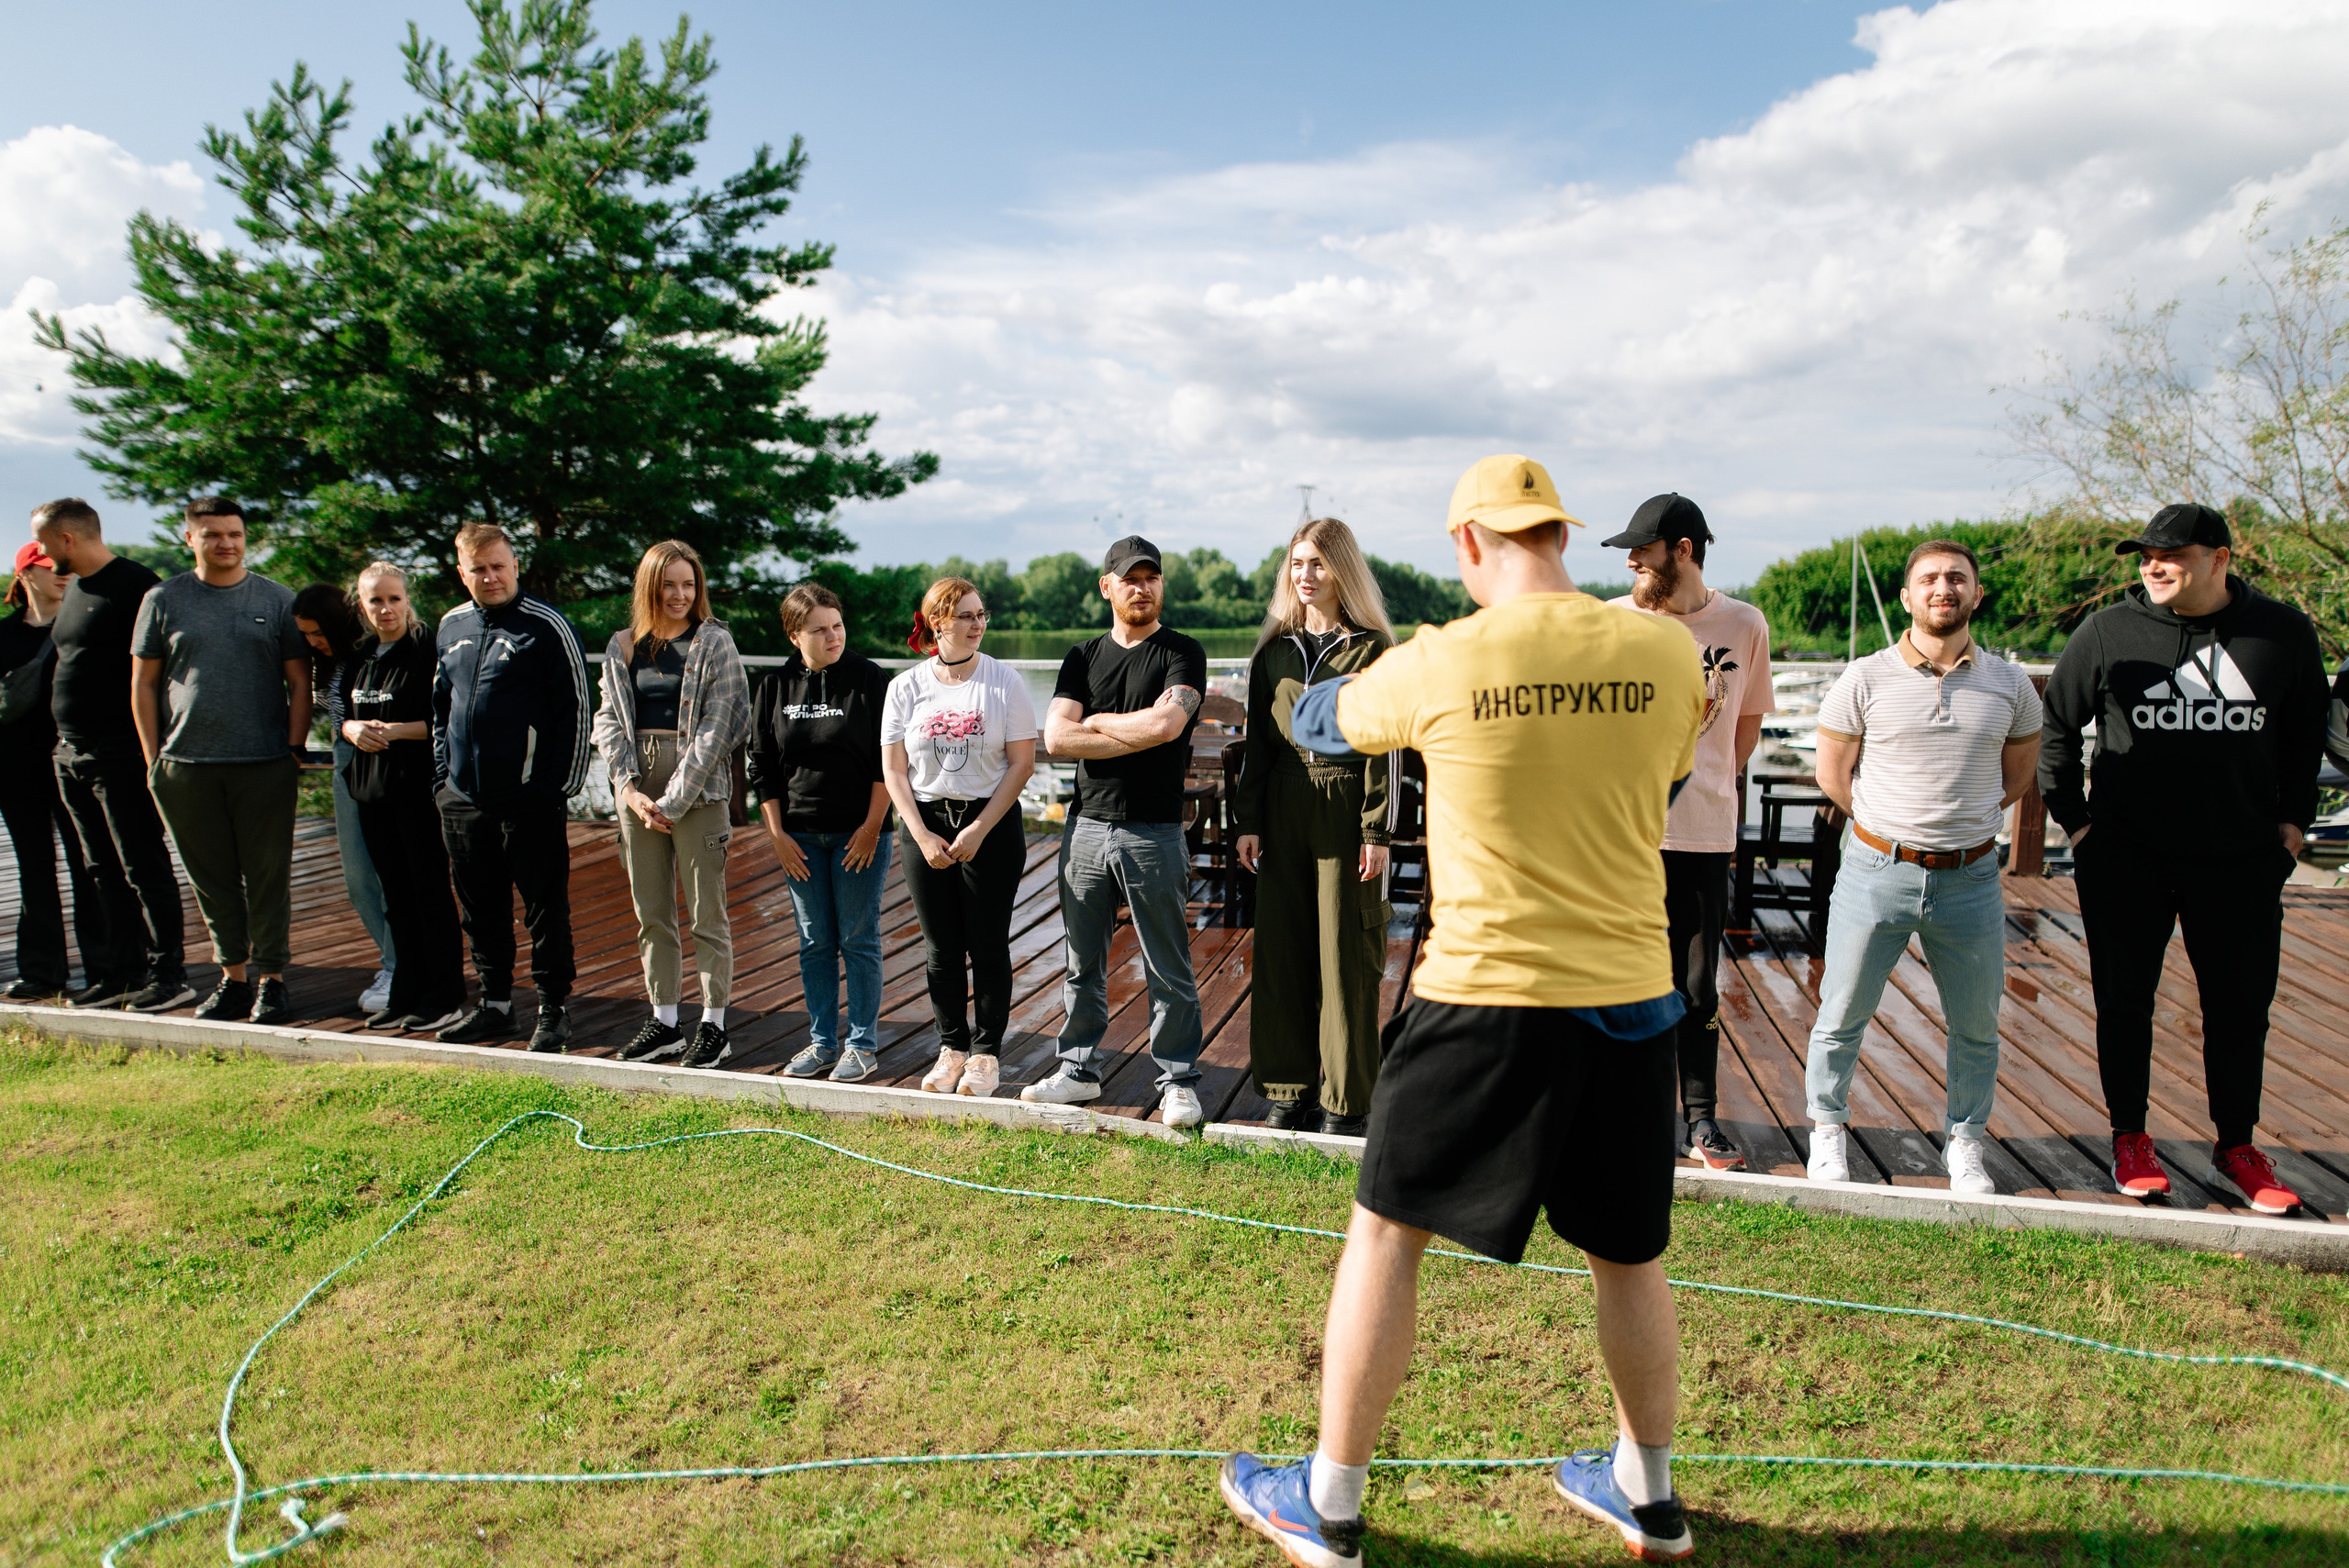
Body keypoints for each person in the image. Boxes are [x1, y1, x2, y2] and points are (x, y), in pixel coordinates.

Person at [1218, 454, 1706, 1566]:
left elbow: (1321, 723)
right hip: (1632, 990)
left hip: (1486, 990)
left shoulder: (1440, 658)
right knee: (1628, 1252)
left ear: (1468, 543)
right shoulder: (1664, 650)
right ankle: (1649, 1490)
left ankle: (1327, 1503)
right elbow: (1669, 769)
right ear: (1560, 536)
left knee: (1388, 1228)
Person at [2038, 503, 2327, 1215]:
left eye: (2171, 555)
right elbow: (2056, 727)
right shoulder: (2108, 630)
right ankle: (2130, 1138)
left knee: (2240, 1009)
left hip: (2240, 861)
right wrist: (2078, 826)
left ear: (2220, 559)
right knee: (2124, 1002)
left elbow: (2305, 736)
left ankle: (2238, 1147)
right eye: (2145, 556)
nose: (2153, 567)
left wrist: (2292, 827)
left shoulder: (2282, 632)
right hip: (2126, 858)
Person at [1803, 539, 2043, 1196]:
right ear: (1908, 596)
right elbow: (1833, 775)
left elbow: (2017, 778)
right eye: (1930, 578)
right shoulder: (1863, 678)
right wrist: (1891, 827)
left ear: (1976, 594)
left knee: (1976, 1024)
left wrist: (1958, 828)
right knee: (1841, 1010)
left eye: (1957, 578)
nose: (1944, 588)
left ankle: (1965, 1142)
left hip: (1971, 879)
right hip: (1876, 871)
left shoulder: (2011, 685)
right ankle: (1827, 1128)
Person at [1606, 493, 1776, 1173]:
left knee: (1699, 986)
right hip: (1623, 838)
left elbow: (1745, 730)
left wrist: (1704, 786)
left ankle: (1700, 1119)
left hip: (1704, 834)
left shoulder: (1744, 624)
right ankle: (1625, 1112)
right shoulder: (1614, 621)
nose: (1630, 561)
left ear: (1683, 551)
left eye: (1642, 550)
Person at [1024, 538, 1209, 1128]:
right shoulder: (1081, 656)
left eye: (1152, 577)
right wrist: (1136, 728)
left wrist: (1098, 721)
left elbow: (1167, 724)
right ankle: (1078, 1070)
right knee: (1082, 960)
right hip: (1086, 827)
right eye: (1131, 578)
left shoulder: (1183, 651)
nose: (1143, 588)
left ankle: (1178, 1081)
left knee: (1167, 963)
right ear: (1107, 587)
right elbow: (1057, 738)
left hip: (1154, 830)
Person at [1231, 517, 1395, 1137]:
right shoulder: (1274, 652)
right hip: (1282, 805)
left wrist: (1376, 830)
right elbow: (1258, 744)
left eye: (1318, 563)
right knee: (1284, 951)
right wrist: (1248, 820)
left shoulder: (1372, 650)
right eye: (1297, 563)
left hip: (1345, 805)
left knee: (1346, 954)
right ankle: (1287, 1088)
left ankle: (1345, 1100)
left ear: (1341, 570)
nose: (1306, 575)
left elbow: (1383, 746)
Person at [131, 497, 312, 1026]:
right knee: (210, 880)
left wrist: (294, 749)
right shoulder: (163, 599)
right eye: (212, 534)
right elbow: (144, 683)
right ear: (190, 538)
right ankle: (233, 979)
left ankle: (272, 981)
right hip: (185, 765)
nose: (226, 543)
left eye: (234, 533)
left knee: (268, 877)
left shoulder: (276, 599)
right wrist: (154, 759)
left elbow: (301, 683)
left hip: (265, 763)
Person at [431, 521, 591, 1053]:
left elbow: (576, 710)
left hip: (529, 798)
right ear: (462, 572)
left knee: (544, 908)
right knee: (480, 910)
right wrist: (442, 781)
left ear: (515, 566)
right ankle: (495, 1004)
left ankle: (553, 1008)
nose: (490, 577)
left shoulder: (547, 626)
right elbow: (440, 708)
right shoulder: (451, 626)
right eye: (478, 569)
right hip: (463, 799)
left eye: (498, 566)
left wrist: (557, 787)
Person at [592, 540, 751, 1069]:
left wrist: (674, 800)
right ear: (649, 587)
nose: (680, 594)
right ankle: (664, 1022)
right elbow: (608, 720)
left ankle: (714, 1026)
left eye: (689, 584)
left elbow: (721, 724)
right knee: (652, 912)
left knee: (707, 912)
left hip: (698, 791)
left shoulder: (715, 643)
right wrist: (628, 789)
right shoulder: (623, 646)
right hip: (637, 789)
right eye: (669, 585)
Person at [875, 576, 1037, 1091]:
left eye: (981, 614)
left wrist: (980, 829)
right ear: (937, 622)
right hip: (924, 824)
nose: (977, 624)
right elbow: (894, 771)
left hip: (991, 823)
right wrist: (922, 835)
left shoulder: (1004, 682)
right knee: (941, 949)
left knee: (988, 945)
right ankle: (952, 1049)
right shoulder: (905, 687)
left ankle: (986, 1055)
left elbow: (1022, 764)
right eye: (966, 616)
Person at [31, 498, 189, 1012]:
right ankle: (123, 974)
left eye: (44, 541)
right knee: (101, 868)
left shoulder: (137, 587)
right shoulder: (75, 585)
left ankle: (170, 975)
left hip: (119, 753)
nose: (41, 551)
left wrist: (153, 753)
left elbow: (162, 673)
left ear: (67, 538)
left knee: (142, 865)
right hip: (70, 754)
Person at [746, 583, 894, 1080]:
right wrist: (776, 835)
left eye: (838, 626)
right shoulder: (774, 685)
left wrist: (872, 827)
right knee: (814, 942)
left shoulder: (868, 678)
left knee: (858, 938)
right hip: (800, 838)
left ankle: (862, 1045)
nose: (833, 636)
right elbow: (762, 764)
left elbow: (888, 759)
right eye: (819, 630)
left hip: (859, 834)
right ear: (794, 635)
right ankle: (822, 1043)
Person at [341, 563, 468, 1033]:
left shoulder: (427, 650)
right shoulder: (361, 654)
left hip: (417, 792)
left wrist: (394, 731)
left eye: (394, 598)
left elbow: (447, 718)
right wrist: (351, 729)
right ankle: (406, 992)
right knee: (394, 897)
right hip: (371, 792)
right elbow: (342, 712)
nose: (386, 609)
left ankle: (444, 996)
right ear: (362, 605)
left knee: (428, 894)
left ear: (406, 599)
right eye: (375, 600)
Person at [1, 541, 109, 999]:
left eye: (65, 567)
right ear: (25, 574)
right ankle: (41, 972)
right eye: (48, 567)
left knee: (89, 866)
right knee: (34, 869)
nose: (62, 573)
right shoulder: (3, 635)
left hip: (74, 764)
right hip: (14, 769)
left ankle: (105, 968)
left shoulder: (83, 626)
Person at [293, 583, 398, 1015]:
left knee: (391, 872)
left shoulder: (373, 652)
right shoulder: (324, 661)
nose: (312, 641)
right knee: (358, 877)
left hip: (386, 760)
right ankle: (392, 960)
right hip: (344, 759)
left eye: (317, 632)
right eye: (304, 634)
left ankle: (399, 966)